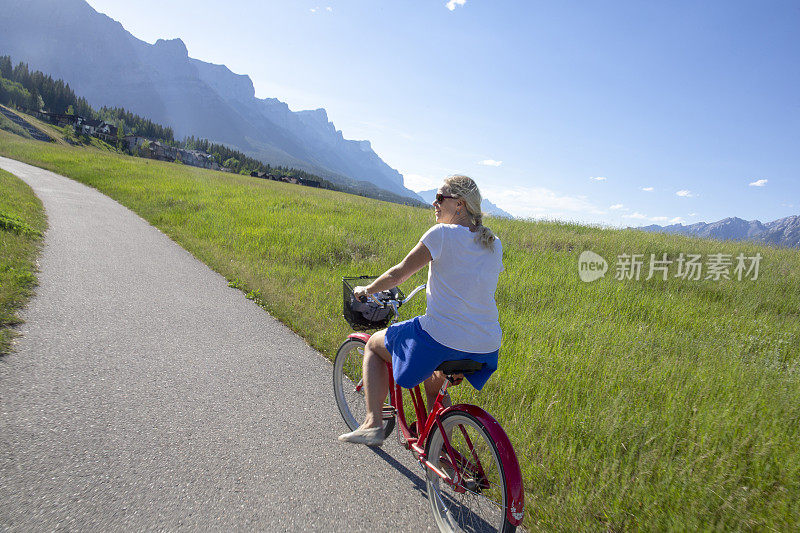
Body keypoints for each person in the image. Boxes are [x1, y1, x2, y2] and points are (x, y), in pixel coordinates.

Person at [338, 175, 504, 446]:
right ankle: (443, 452)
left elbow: (397, 275)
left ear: (459, 205)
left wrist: (367, 290)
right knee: (434, 382)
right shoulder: (492, 242)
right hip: (486, 343)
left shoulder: (441, 234)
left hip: (443, 337)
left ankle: (372, 424)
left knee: (374, 346)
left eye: (440, 198)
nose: (434, 204)